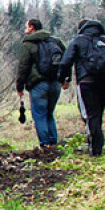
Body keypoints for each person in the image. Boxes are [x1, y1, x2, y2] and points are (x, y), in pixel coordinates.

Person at [61, 20, 105, 156]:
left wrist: (64, 79)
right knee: (98, 113)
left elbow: (65, 62)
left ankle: (95, 149)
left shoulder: (78, 41)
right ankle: (97, 144)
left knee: (89, 115)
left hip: (87, 81)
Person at [15, 18, 67, 148]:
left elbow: (23, 67)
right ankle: (53, 143)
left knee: (39, 115)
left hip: (38, 84)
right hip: (55, 83)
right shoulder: (56, 41)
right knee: (50, 113)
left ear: (32, 27)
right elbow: (66, 59)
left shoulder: (28, 44)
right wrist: (66, 78)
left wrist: (19, 86)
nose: (25, 29)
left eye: (26, 26)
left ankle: (45, 145)